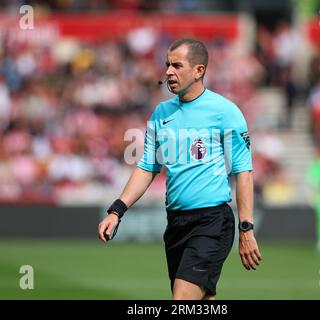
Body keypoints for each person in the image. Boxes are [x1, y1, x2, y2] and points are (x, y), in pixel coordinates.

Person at [98, 38, 262, 300]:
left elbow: (244, 171)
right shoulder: (162, 113)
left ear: (199, 71)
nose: (168, 72)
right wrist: (117, 210)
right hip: (175, 223)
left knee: (182, 300)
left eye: (177, 65)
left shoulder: (225, 112)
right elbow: (147, 167)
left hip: (211, 222)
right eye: (167, 65)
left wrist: (246, 228)